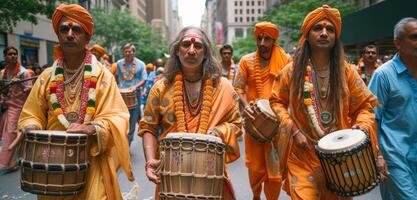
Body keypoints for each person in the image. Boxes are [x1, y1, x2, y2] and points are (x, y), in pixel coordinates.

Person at [10, 4, 134, 199]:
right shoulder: (46, 77)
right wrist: (30, 125)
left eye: (76, 29)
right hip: (51, 165)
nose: (69, 34)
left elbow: (117, 116)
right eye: (64, 29)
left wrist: (92, 128)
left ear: (87, 37)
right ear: (58, 35)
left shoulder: (103, 77)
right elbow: (31, 113)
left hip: (91, 162)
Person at [269, 5, 383, 200]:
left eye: (330, 29)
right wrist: (294, 130)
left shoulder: (347, 72)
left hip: (340, 158)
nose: (324, 33)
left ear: (335, 37)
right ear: (307, 34)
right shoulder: (291, 71)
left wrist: (363, 126)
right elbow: (276, 101)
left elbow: (365, 106)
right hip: (302, 156)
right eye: (318, 28)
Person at [139, 26, 242, 200]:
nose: (192, 51)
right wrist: (150, 161)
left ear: (206, 53)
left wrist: (217, 132)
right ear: (177, 51)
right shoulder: (161, 88)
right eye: (186, 44)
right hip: (172, 176)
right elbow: (148, 126)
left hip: (210, 175)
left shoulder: (223, 87)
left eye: (198, 46)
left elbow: (236, 124)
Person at [233, 21, 291, 200]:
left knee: (274, 170)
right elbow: (238, 88)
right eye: (260, 38)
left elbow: (292, 88)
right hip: (254, 122)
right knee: (256, 167)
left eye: (267, 39)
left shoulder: (286, 61)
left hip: (278, 123)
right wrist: (247, 105)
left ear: (274, 40)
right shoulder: (246, 61)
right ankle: (256, 196)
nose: (263, 43)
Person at [368, 17, 417, 200]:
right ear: (398, 42)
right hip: (395, 157)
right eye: (414, 37)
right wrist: (378, 155)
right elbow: (372, 117)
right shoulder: (383, 75)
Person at [0, 47, 34, 174]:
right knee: (9, 133)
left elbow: (30, 90)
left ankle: (9, 163)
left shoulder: (24, 73)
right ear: (5, 56)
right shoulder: (3, 72)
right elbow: (3, 89)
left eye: (15, 54)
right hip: (7, 106)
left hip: (20, 107)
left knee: (11, 133)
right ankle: (19, 158)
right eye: (10, 54)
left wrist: (20, 84)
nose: (13, 56)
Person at [115, 43, 147, 145]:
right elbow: (116, 77)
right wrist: (116, 87)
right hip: (121, 95)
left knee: (132, 122)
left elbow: (144, 79)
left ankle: (127, 144)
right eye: (126, 51)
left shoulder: (141, 64)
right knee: (120, 120)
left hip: (135, 95)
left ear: (133, 52)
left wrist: (135, 87)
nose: (128, 53)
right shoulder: (119, 63)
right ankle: (121, 142)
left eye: (130, 51)